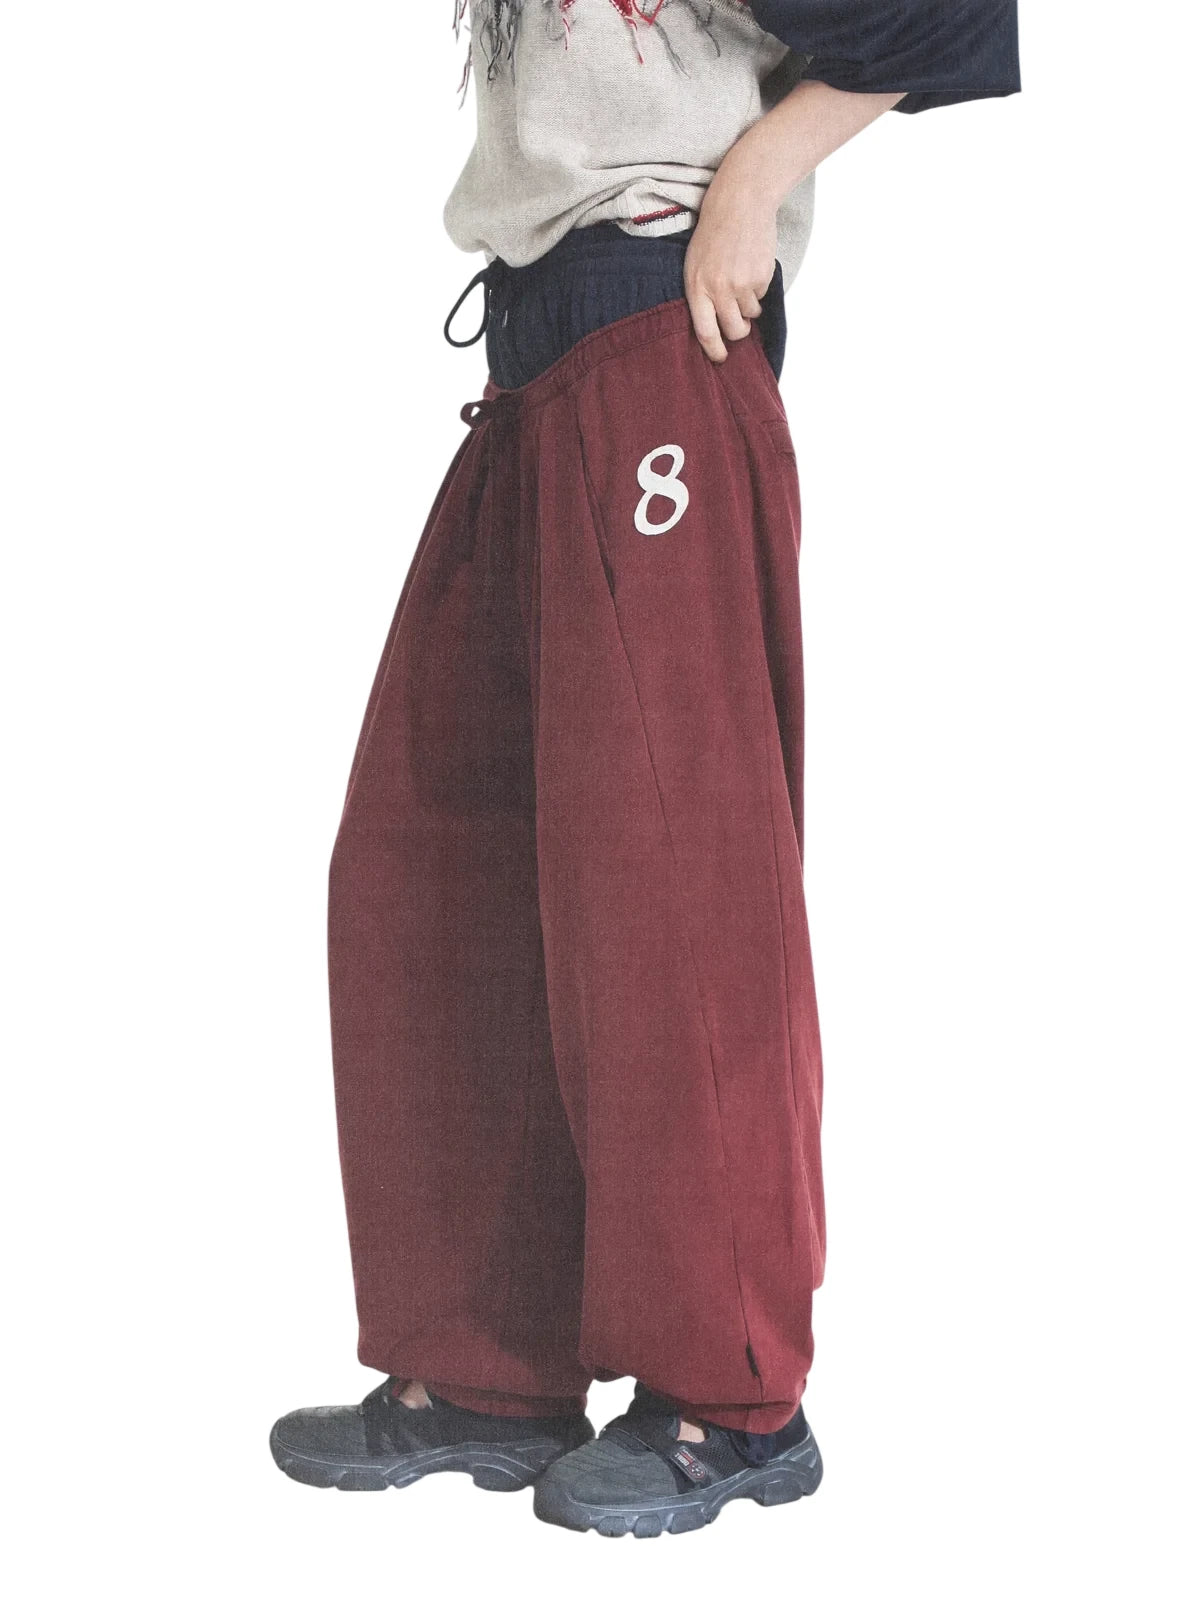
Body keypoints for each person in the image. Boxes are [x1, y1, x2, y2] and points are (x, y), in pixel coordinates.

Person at [270, 1, 1021, 1538]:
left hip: (656, 329)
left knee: (674, 880)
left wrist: (753, 182)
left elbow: (948, 12)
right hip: (536, 345)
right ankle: (490, 1366)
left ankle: (730, 1395)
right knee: (441, 857)